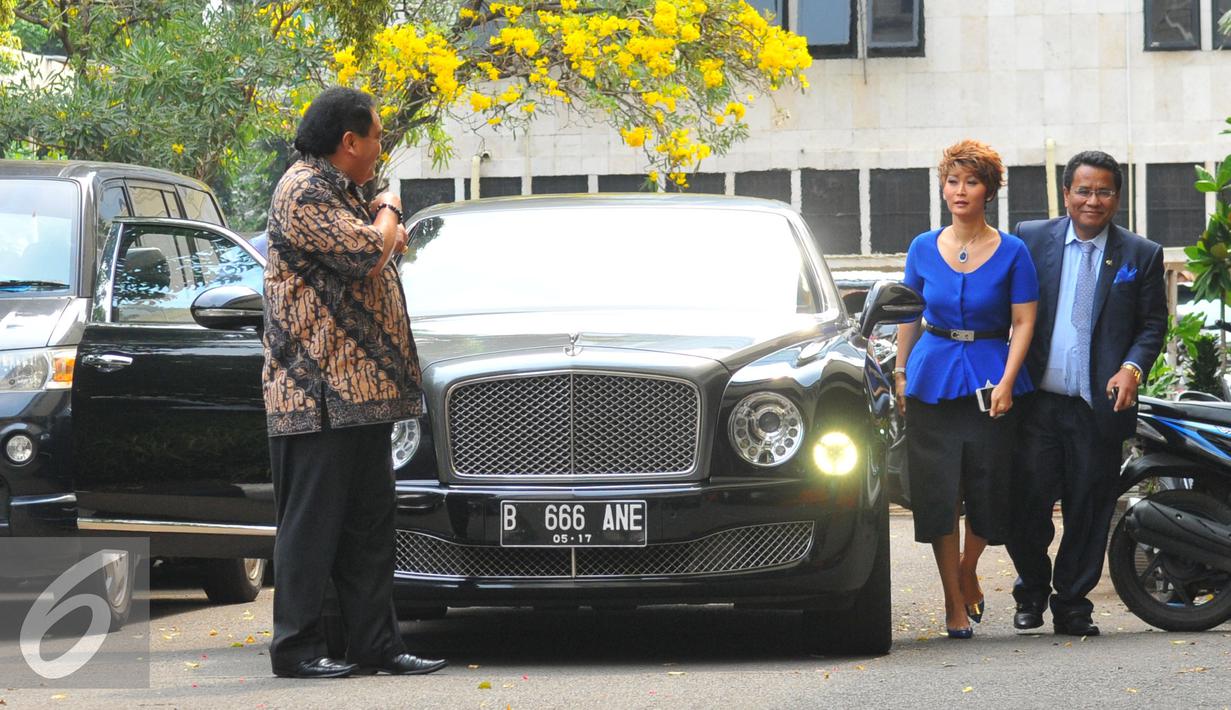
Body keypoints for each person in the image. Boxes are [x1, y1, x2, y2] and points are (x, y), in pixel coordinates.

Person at [262, 86, 447, 678]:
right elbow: (370, 252)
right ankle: (296, 648)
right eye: (376, 136)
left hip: (361, 395)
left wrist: (382, 222)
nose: (380, 147)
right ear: (349, 141)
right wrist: (389, 209)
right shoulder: (304, 190)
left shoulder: (341, 192)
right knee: (311, 530)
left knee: (369, 527)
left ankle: (377, 644)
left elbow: (379, 250)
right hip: (316, 395)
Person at [1007, 151, 1167, 636]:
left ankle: (1073, 603)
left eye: (1103, 192)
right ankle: (1031, 588)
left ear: (1117, 197)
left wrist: (1131, 368)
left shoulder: (1141, 253)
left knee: (1089, 507)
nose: (1092, 201)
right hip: (1039, 401)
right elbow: (1009, 309)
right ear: (1065, 194)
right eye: (1083, 190)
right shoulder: (1030, 239)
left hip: (1099, 405)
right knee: (1026, 504)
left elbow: (1153, 324)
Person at [895, 140, 1039, 639]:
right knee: (937, 494)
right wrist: (900, 371)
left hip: (990, 378)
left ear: (989, 191)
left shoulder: (1014, 251)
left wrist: (1006, 380)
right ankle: (953, 604)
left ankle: (966, 567)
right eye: (953, 181)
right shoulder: (920, 247)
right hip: (931, 379)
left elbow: (1023, 322)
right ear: (943, 187)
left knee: (989, 490)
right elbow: (910, 313)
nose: (960, 190)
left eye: (971, 181)